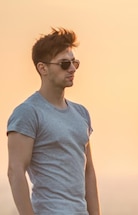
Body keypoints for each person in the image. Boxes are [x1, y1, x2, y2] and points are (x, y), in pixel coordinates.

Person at [6, 28, 101, 214]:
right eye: (65, 64)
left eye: (75, 63)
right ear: (43, 68)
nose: (72, 69)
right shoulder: (27, 113)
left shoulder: (81, 113)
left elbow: (88, 171)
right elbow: (15, 171)